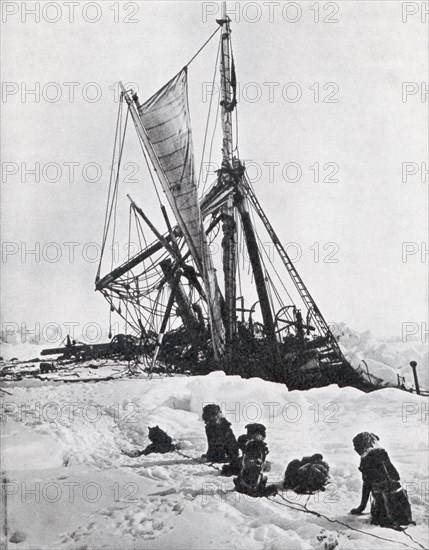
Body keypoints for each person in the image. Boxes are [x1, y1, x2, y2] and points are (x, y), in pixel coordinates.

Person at [350, 432, 413, 528]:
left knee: (380, 492)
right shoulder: (382, 453)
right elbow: (395, 477)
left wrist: (361, 508)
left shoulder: (367, 458)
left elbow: (367, 485)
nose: (355, 449)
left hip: (385, 512)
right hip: (403, 512)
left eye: (356, 445)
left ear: (363, 444)